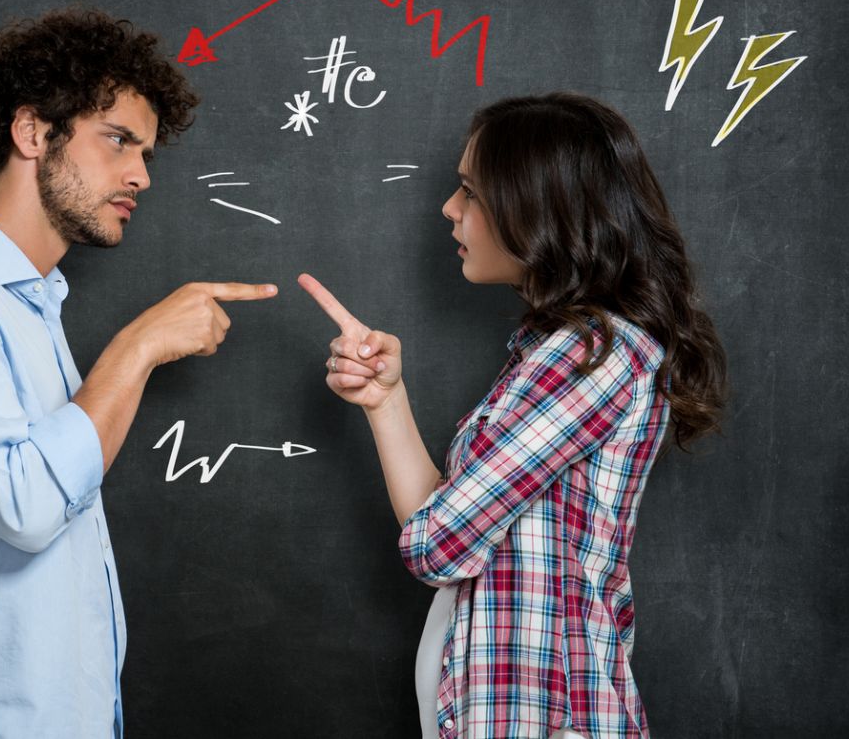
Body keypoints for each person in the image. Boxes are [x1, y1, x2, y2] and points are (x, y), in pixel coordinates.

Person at [0, 9, 276, 738]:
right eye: (118, 140)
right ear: (32, 132)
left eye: (145, 153)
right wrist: (138, 346)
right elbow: (26, 506)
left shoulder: (27, 305)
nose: (141, 175)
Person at [300, 93, 726, 739]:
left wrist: (442, 527)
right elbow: (452, 527)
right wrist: (387, 401)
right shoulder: (555, 352)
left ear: (540, 206)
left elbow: (440, 546)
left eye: (471, 191)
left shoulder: (590, 355)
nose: (449, 208)